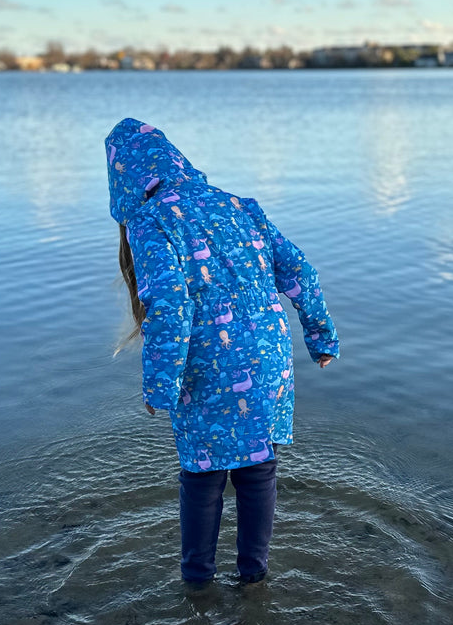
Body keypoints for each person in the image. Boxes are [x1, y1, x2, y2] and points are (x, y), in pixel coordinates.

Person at [105, 119, 339, 587]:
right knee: (257, 469)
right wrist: (320, 337)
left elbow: (169, 305)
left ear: (122, 181)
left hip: (207, 366)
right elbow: (299, 271)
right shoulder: (239, 205)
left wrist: (160, 385)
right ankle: (254, 578)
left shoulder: (151, 222)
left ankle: (197, 582)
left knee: (202, 476)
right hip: (270, 359)